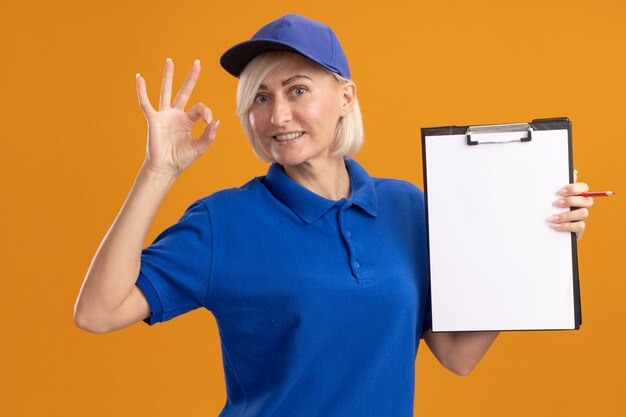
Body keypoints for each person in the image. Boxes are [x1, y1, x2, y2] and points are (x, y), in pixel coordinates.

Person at [74, 14, 593, 417]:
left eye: (297, 90)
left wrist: (535, 241)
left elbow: (457, 354)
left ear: (345, 97)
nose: (277, 116)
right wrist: (157, 171)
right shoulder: (222, 223)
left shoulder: (407, 207)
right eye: (260, 97)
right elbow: (98, 312)